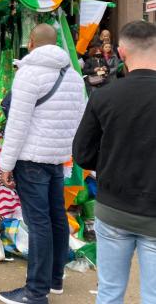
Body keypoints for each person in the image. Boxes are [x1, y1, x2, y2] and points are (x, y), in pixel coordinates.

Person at [0, 24, 86, 304]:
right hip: (57, 158)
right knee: (56, 217)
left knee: (39, 224)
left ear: (31, 43)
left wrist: (5, 164)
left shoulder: (28, 74)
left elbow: (17, 124)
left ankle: (35, 292)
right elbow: (78, 119)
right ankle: (54, 280)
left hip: (31, 159)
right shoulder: (73, 76)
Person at [73, 21, 156, 304]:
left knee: (109, 291)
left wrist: (110, 162)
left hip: (114, 208)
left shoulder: (104, 96)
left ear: (121, 52)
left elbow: (82, 154)